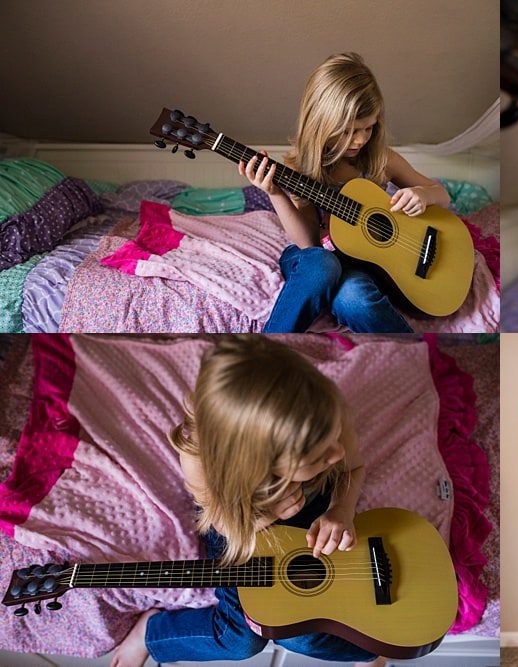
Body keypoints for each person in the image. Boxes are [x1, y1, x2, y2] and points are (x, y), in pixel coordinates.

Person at [111, 336, 375, 666]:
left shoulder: (326, 419)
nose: (337, 453)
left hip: (310, 509)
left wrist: (341, 510)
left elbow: (353, 468)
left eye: (335, 440)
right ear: (261, 465)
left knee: (311, 620)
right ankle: (154, 633)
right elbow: (219, 522)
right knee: (241, 640)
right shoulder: (202, 464)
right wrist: (264, 515)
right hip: (240, 522)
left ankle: (370, 647)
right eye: (320, 455)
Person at [242, 52, 451, 333]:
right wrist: (276, 193)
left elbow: (442, 195)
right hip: (316, 259)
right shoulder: (303, 170)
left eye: (369, 128)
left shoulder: (381, 160)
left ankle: (416, 356)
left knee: (354, 298)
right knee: (322, 265)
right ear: (321, 124)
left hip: (365, 264)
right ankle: (265, 350)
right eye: (349, 131)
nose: (362, 139)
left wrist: (424, 196)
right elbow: (309, 243)